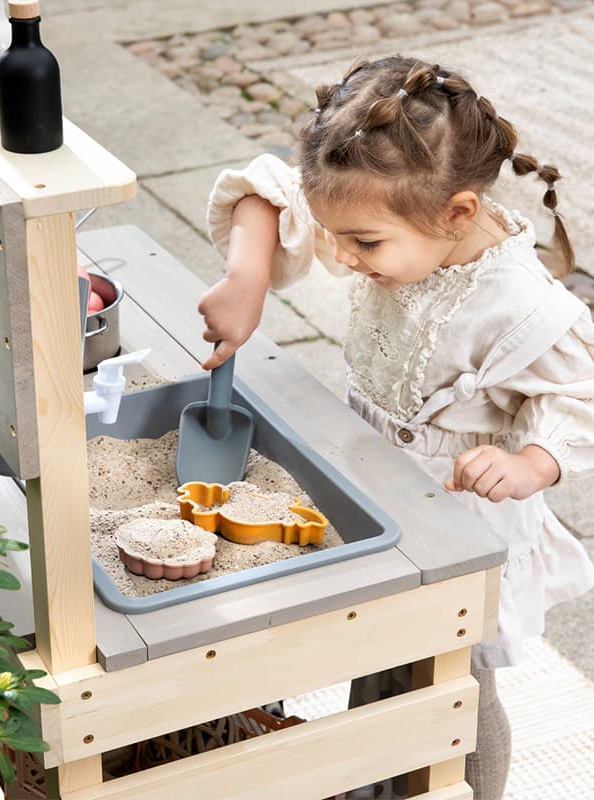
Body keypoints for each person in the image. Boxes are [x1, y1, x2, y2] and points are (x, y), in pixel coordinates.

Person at [198, 55, 594, 800]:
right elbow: (266, 189)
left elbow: (580, 392)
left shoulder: (518, 303)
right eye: (335, 235)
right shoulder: (392, 225)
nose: (342, 257)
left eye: (364, 244)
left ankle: (465, 789)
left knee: (454, 690)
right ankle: (381, 778)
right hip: (380, 500)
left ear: (459, 214)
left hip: (459, 531)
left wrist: (535, 461)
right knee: (380, 653)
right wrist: (249, 274)